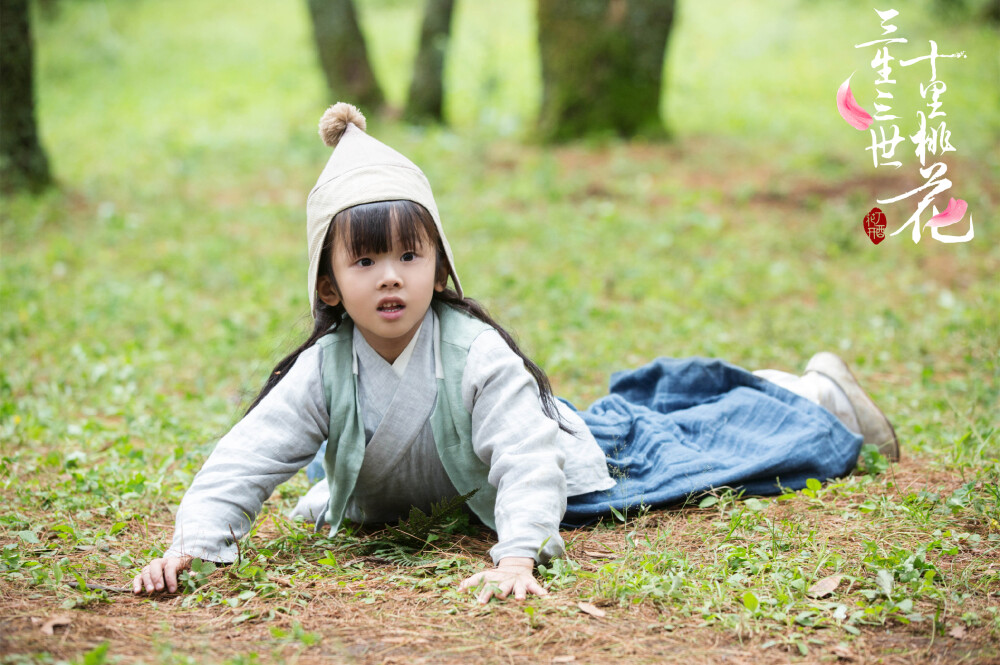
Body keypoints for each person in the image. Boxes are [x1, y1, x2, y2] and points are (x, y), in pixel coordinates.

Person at [133, 103, 898, 603]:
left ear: (440, 264)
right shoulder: (324, 371)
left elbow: (527, 462)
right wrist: (192, 547)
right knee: (638, 422)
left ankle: (810, 394)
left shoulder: (473, 353)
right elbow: (248, 455)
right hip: (474, 477)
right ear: (329, 285)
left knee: (677, 454)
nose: (391, 275)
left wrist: (518, 553)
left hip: (549, 462)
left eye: (409, 254)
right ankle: (780, 386)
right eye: (364, 263)